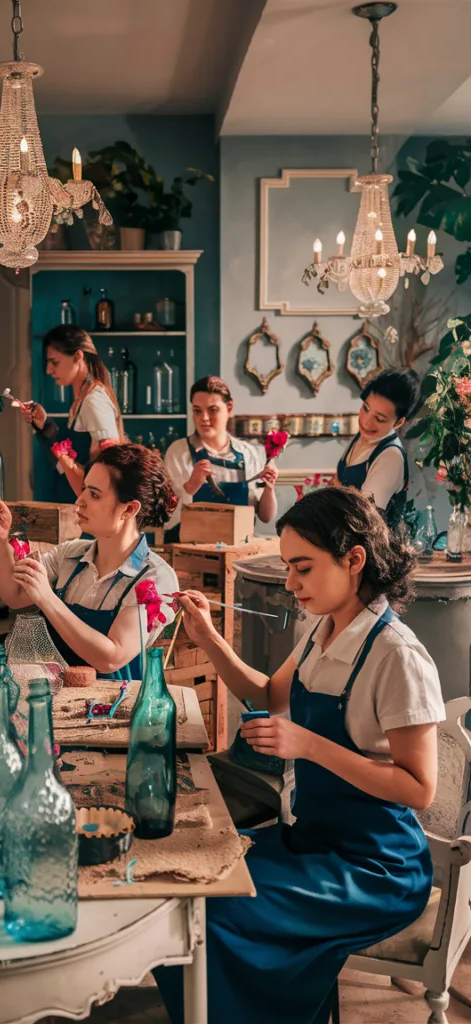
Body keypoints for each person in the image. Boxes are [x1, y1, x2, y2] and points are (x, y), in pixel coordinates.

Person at [155, 485, 444, 1024]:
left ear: (354, 560)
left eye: (303, 569)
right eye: (288, 567)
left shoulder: (398, 656)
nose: (290, 584)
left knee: (209, 918)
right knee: (182, 887)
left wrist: (309, 745)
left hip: (374, 866)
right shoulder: (323, 630)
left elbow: (418, 788)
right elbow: (269, 695)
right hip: (308, 841)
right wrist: (208, 636)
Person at [0, 443, 178, 680]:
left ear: (129, 509)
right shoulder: (70, 555)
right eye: (83, 489)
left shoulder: (155, 579)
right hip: (60, 703)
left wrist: (48, 599)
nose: (79, 501)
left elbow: (111, 657)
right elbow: (14, 595)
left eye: (94, 494)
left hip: (117, 709)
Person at [163, 375, 278, 541]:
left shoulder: (249, 454)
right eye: (197, 411)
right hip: (189, 551)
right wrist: (191, 487)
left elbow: (266, 517)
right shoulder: (178, 452)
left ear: (229, 408)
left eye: (212, 410)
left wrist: (269, 488)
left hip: (238, 549)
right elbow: (167, 517)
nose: (204, 418)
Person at [19, 325, 124, 502]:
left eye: (55, 362)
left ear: (77, 357)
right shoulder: (82, 399)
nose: (48, 371)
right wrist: (44, 424)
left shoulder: (94, 400)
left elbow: (110, 462)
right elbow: (74, 452)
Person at [337, 367, 419, 527]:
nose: (366, 422)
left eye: (379, 418)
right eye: (366, 408)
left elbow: (365, 518)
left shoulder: (390, 456)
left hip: (373, 546)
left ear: (398, 422)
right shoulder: (363, 436)